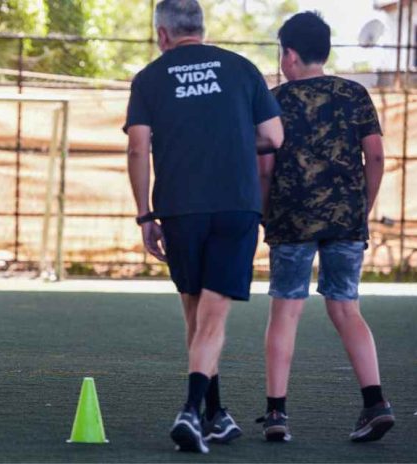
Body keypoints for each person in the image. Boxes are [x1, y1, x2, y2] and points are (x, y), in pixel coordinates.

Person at [124, 0, 283, 453]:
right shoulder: (241, 68)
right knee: (209, 315)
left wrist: (144, 215)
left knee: (195, 311)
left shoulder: (150, 77)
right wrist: (231, 134)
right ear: (201, 28)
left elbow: (138, 150)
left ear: (162, 34)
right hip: (236, 206)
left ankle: (197, 412)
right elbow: (274, 137)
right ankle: (209, 414)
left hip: (180, 209)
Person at [257, 11, 393, 443]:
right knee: (346, 307)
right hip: (346, 219)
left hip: (291, 217)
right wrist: (362, 207)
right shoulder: (354, 94)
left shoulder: (274, 101)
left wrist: (264, 213)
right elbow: (374, 157)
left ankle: (276, 413)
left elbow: (265, 166)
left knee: (286, 309)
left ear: (290, 54)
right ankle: (375, 404)